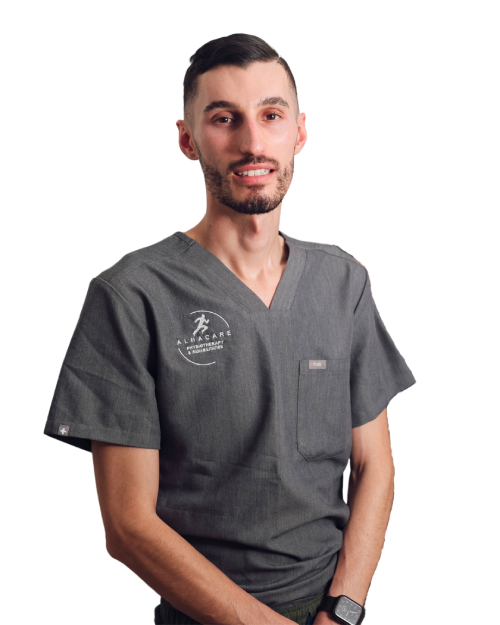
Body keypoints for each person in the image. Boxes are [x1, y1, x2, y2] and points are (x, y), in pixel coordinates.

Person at [44, 34, 416, 625]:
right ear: (188, 139)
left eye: (271, 115)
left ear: (299, 131)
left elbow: (375, 466)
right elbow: (128, 526)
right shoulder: (131, 295)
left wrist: (343, 609)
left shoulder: (342, 282)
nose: (252, 143)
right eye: (224, 119)